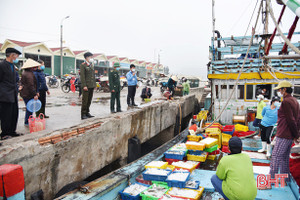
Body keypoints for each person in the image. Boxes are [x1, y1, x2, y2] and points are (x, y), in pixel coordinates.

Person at [270, 81, 300, 180]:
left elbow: (290, 120)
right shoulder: (295, 101)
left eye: (280, 89)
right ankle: (285, 179)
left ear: (285, 89)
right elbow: (298, 119)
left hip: (283, 134)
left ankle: (271, 181)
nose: (279, 91)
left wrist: (296, 135)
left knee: (275, 157)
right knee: (284, 158)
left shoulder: (286, 102)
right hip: (289, 134)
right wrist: (296, 134)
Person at [0, 48, 22, 140]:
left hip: (13, 94)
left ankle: (12, 131)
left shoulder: (12, 66)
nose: (17, 57)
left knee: (14, 113)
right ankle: (5, 133)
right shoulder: (2, 65)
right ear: (12, 55)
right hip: (5, 94)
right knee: (6, 115)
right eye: (16, 55)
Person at [19, 58, 40, 126]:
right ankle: (27, 122)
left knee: (29, 108)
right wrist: (35, 94)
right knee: (29, 108)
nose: (35, 68)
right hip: (28, 94)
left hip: (26, 93)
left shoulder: (26, 72)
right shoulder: (29, 75)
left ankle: (28, 120)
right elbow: (31, 86)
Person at [80, 52, 96, 120]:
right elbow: (82, 76)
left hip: (91, 85)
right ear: (87, 57)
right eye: (90, 57)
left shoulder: (91, 65)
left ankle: (87, 112)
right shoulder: (83, 65)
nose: (91, 58)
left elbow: (92, 76)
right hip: (86, 85)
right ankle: (83, 114)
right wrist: (84, 85)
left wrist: (94, 85)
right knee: (85, 100)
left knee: (89, 100)